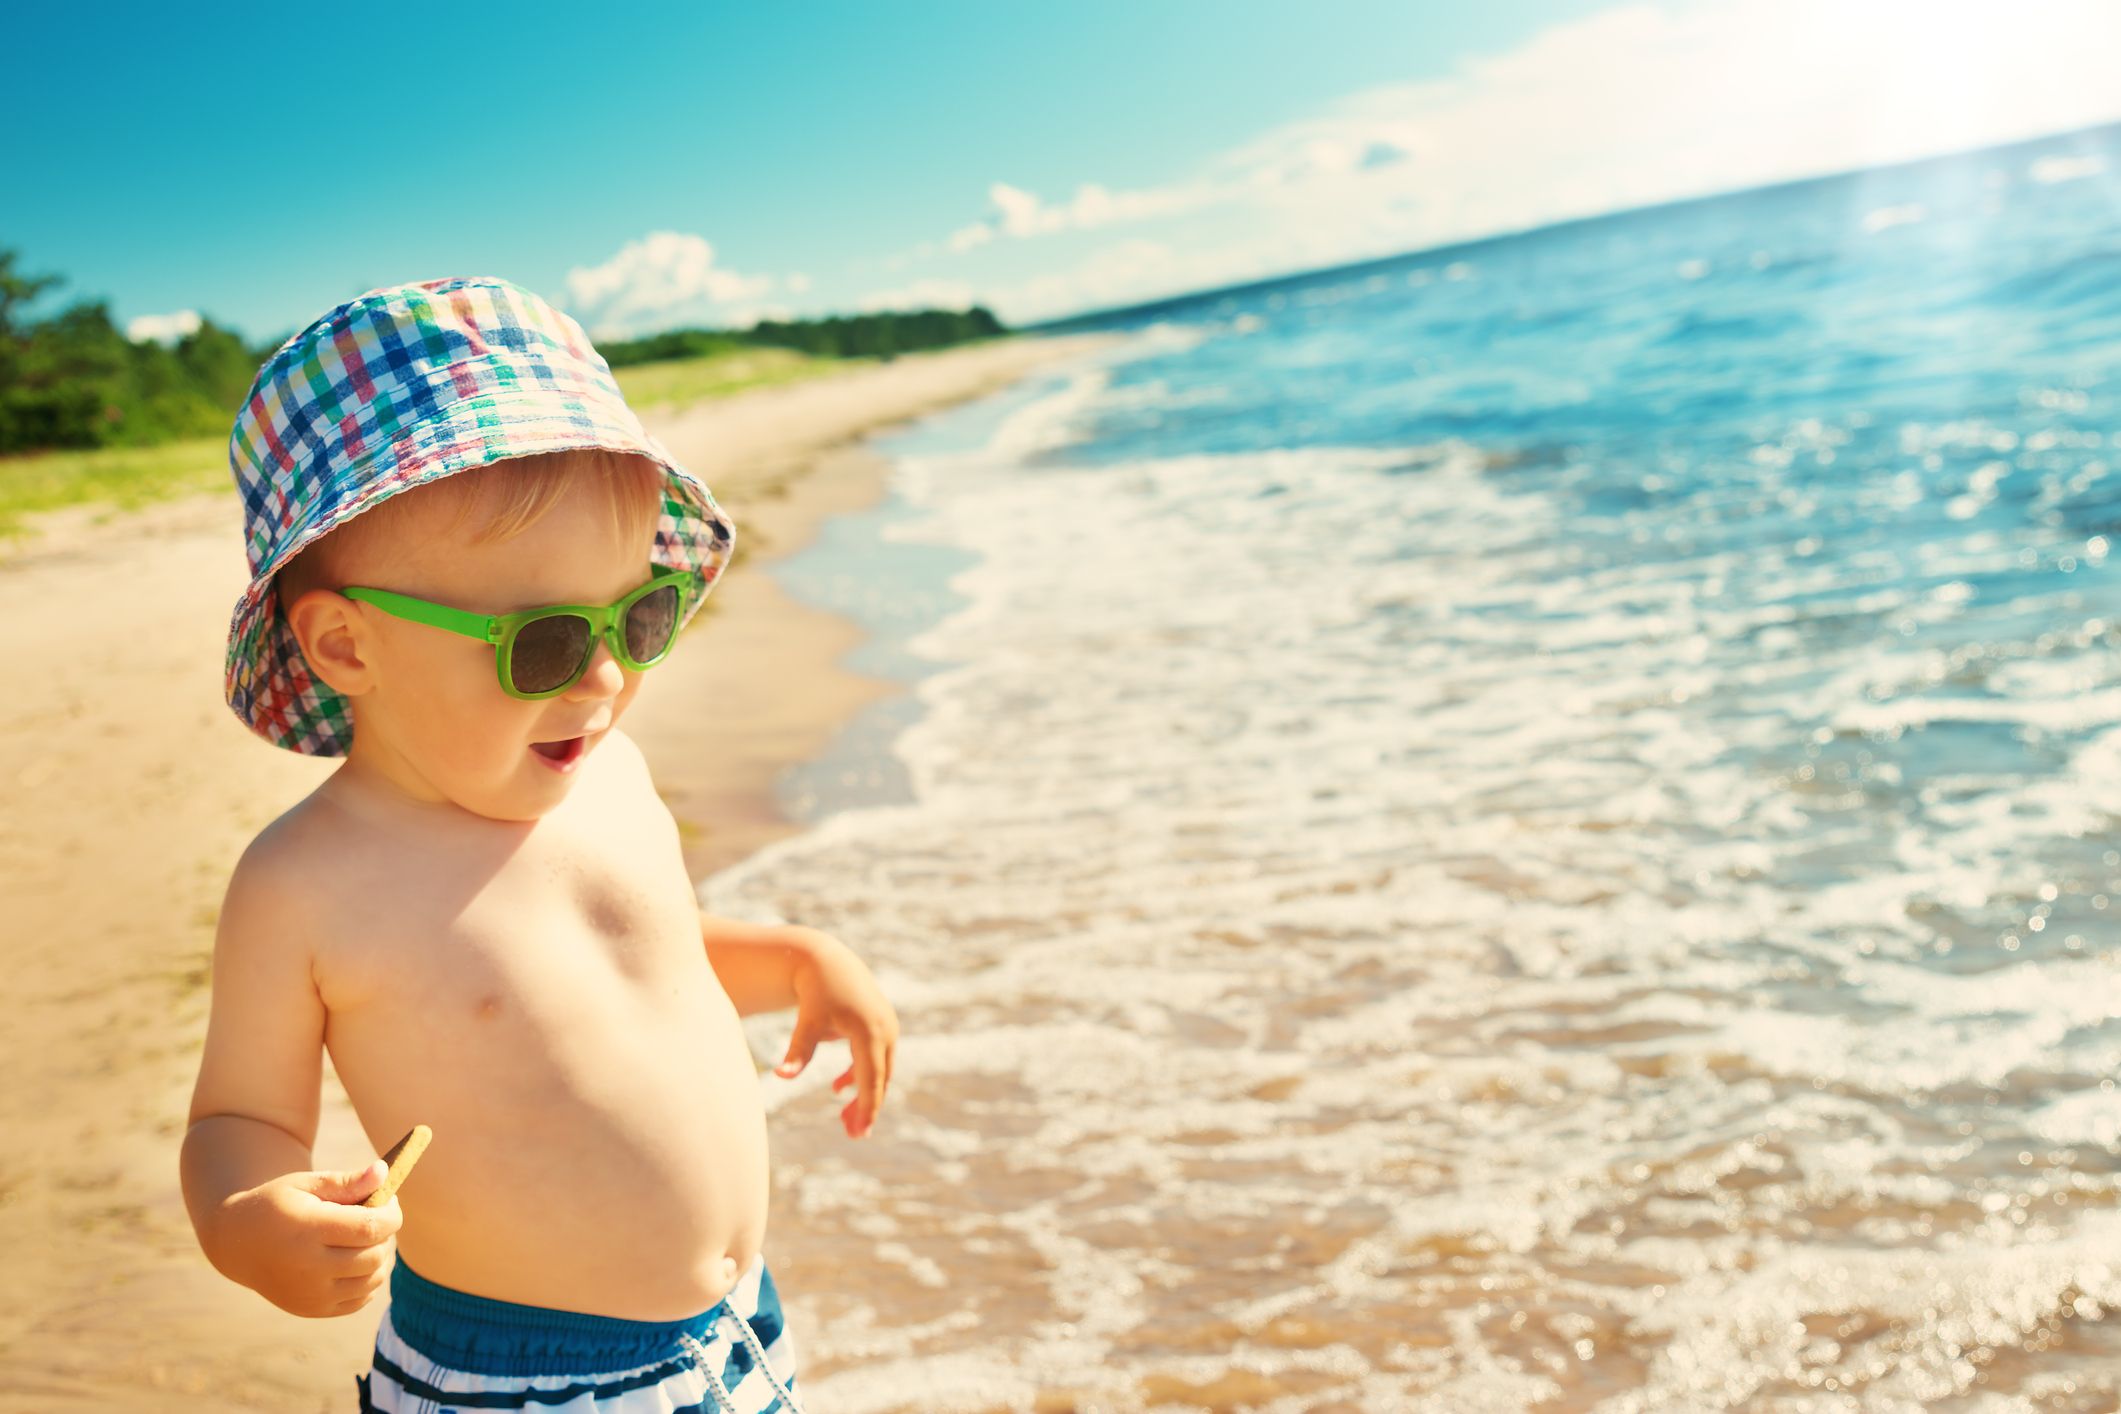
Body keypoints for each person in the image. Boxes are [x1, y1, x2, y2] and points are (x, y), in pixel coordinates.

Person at [177, 275, 898, 1412]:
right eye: (548, 642)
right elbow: (238, 1118)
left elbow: (649, 960)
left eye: (639, 617)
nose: (607, 679)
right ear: (347, 648)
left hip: (738, 1326)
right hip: (520, 1377)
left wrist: (797, 959)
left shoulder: (608, 772)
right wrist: (249, 1216)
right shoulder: (305, 884)